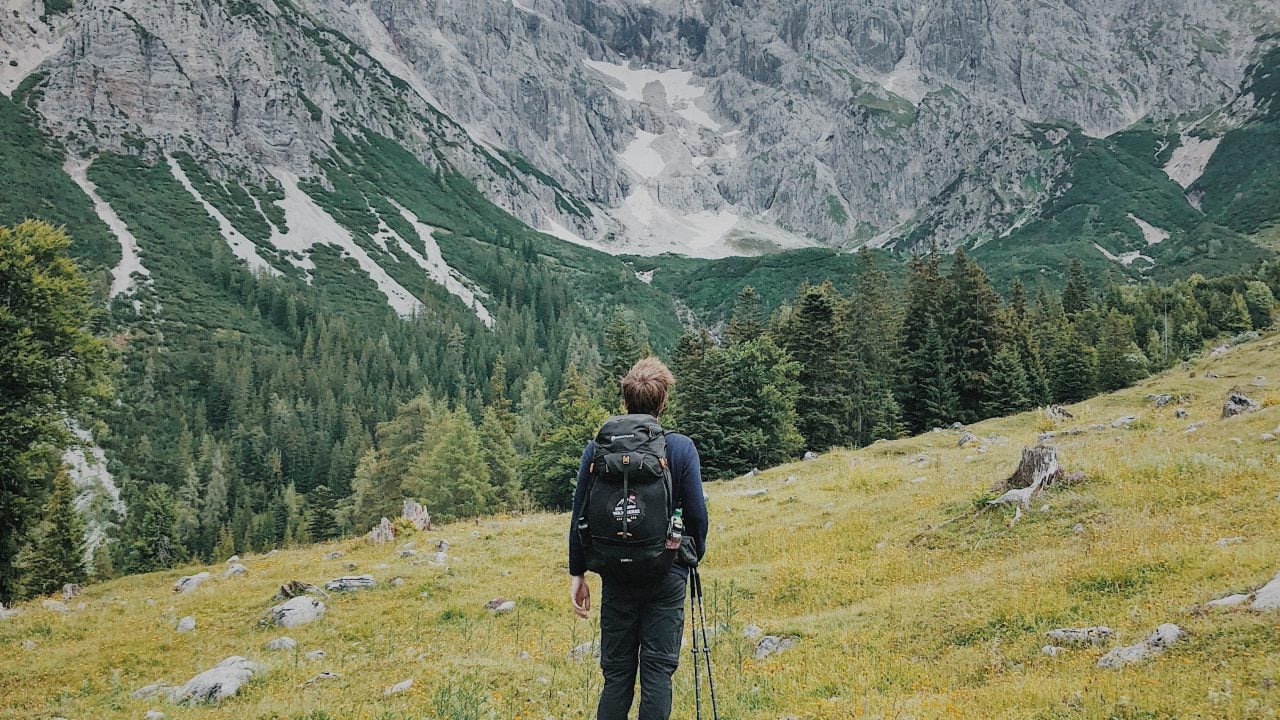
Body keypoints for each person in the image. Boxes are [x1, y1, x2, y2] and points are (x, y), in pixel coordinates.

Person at [569, 357, 708, 720]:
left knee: (616, 677)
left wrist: (577, 573)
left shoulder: (597, 449)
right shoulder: (680, 448)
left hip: (616, 574)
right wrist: (690, 557)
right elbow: (697, 515)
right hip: (667, 573)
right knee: (657, 674)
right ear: (663, 403)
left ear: (625, 401)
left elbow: (579, 511)